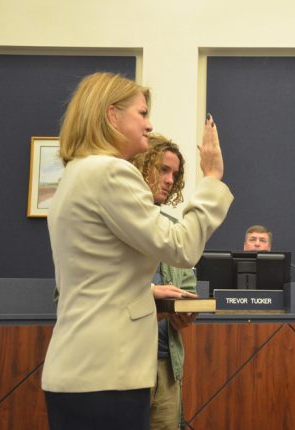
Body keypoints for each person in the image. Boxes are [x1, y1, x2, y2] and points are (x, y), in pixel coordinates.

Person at [42, 72, 233, 430]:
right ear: (112, 115)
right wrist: (211, 181)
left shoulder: (75, 175)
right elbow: (181, 246)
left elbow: (103, 280)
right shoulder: (111, 173)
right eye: (142, 113)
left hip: (78, 371)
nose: (149, 125)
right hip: (107, 374)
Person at [132, 134, 197, 430]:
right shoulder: (119, 221)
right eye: (163, 170)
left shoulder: (174, 230)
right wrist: (152, 294)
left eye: (175, 174)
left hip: (167, 365)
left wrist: (183, 315)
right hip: (125, 363)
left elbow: (188, 293)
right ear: (143, 165)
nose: (170, 180)